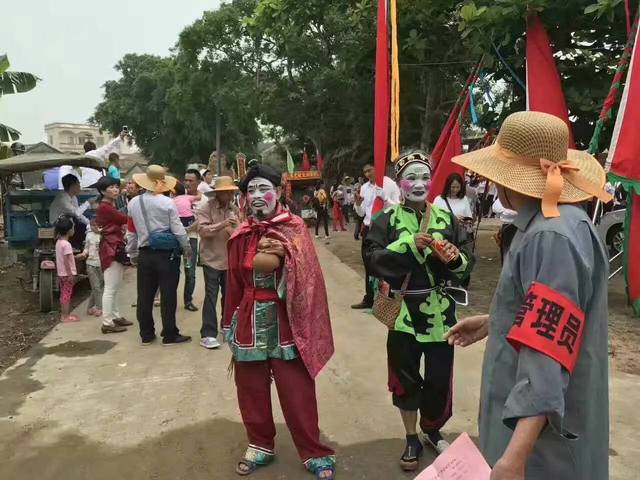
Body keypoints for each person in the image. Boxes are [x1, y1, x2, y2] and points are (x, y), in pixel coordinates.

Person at [447, 111, 613, 480]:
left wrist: (515, 456)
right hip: (539, 433)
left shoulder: (549, 236)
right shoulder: (555, 223)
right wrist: (497, 321)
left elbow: (546, 353)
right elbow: (556, 315)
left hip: (541, 448)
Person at [364, 150, 474, 471]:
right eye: (411, 177)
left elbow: (465, 260)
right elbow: (372, 259)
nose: (419, 183)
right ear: (399, 183)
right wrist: (410, 244)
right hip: (403, 317)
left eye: (425, 177)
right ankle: (411, 435)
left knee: (439, 379)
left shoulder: (444, 219)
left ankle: (432, 428)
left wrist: (453, 258)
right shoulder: (387, 220)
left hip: (441, 314)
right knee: (406, 378)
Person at [224, 164, 335, 479]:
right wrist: (227, 322)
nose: (257, 196)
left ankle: (313, 451)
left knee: (296, 388)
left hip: (287, 318)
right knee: (250, 387)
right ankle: (260, 444)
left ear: (279, 191)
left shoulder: (294, 228)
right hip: (248, 318)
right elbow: (233, 281)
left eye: (263, 188)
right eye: (251, 191)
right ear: (245, 198)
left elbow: (310, 277)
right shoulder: (241, 233)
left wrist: (287, 256)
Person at [126, 165, 193, 346]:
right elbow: (178, 230)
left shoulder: (132, 204)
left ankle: (146, 334)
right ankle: (169, 334)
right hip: (167, 255)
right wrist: (187, 248)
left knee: (144, 295)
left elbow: (131, 232)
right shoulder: (167, 203)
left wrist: (132, 253)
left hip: (144, 254)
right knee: (168, 294)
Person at [196, 176, 239, 350]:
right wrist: (223, 224)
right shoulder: (205, 207)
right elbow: (203, 231)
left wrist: (238, 227)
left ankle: (227, 326)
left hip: (229, 260)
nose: (229, 195)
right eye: (226, 192)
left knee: (229, 296)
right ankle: (207, 333)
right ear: (218, 193)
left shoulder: (234, 209)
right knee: (211, 296)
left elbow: (239, 231)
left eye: (231, 192)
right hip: (211, 259)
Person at [351, 164, 401, 309]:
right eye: (365, 171)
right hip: (368, 228)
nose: (367, 174)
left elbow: (398, 207)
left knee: (384, 264)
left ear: (377, 168)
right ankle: (369, 298)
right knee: (368, 264)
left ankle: (387, 299)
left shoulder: (389, 184)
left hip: (385, 229)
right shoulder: (364, 188)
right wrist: (358, 204)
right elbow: (361, 213)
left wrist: (385, 198)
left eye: (370, 170)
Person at [94, 176, 132, 334]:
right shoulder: (105, 207)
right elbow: (123, 218)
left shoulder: (109, 205)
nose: (116, 189)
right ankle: (107, 322)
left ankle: (115, 316)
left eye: (116, 186)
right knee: (110, 287)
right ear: (103, 191)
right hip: (110, 248)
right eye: (111, 187)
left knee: (114, 286)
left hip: (113, 246)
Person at [180, 169, 204, 311]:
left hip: (192, 241)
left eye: (191, 181)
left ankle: (188, 300)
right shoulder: (177, 197)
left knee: (190, 271)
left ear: (198, 182)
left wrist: (189, 229)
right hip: (175, 239)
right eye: (186, 180)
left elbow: (204, 220)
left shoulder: (204, 200)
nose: (187, 183)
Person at [49, 174, 91, 250]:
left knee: (84, 226)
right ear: (72, 186)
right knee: (80, 228)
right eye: (78, 184)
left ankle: (80, 248)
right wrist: (88, 203)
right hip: (58, 225)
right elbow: (76, 213)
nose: (80, 187)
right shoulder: (62, 199)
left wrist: (89, 223)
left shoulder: (74, 197)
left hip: (69, 223)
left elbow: (79, 215)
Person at [54, 216, 81, 323]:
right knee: (67, 295)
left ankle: (65, 314)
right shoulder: (67, 244)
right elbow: (66, 260)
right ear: (69, 231)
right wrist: (70, 274)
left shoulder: (58, 243)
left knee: (63, 294)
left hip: (61, 273)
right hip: (67, 273)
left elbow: (64, 258)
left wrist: (75, 258)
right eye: (73, 227)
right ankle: (65, 316)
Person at [80, 220, 104, 317]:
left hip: (101, 263)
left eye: (97, 225)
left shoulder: (103, 235)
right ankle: (99, 307)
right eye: (93, 226)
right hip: (91, 263)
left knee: (99, 286)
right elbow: (86, 247)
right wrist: (84, 253)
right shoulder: (89, 236)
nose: (95, 228)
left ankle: (90, 307)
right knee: (96, 287)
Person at [492, 197, 518, 264]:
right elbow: (495, 208)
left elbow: (516, 213)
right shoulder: (504, 196)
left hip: (520, 226)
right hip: (508, 227)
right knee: (506, 254)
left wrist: (505, 211)